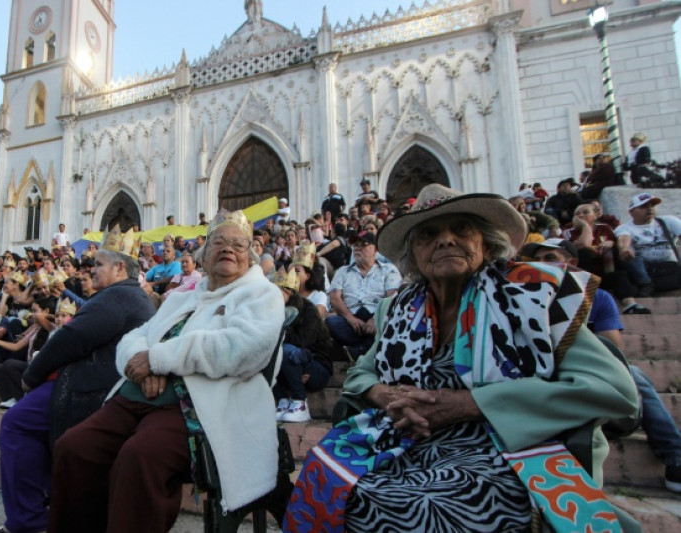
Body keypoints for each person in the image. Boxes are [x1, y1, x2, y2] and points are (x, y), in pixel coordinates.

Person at [284, 184, 639, 532]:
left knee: (445, 504)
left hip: (510, 449)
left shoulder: (532, 296)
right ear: (414, 256)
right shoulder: (399, 308)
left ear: (487, 243)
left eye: (461, 229)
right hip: (410, 440)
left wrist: (470, 404)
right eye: (429, 234)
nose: (446, 240)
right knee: (332, 483)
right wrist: (384, 394)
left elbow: (614, 389)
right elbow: (362, 374)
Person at [45, 210, 284, 533]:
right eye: (219, 242)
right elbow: (134, 338)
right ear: (203, 254)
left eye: (238, 245)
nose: (228, 249)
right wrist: (144, 367)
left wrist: (160, 359)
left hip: (199, 406)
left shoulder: (261, 294)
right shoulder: (181, 298)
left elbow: (243, 349)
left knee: (140, 457)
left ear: (250, 256)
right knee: (74, 448)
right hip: (138, 395)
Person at [0, 226, 155, 533]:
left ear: (120, 269)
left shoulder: (118, 295)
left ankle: (29, 520)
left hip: (94, 389)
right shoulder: (128, 295)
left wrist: (32, 375)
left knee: (16, 423)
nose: (93, 270)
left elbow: (71, 337)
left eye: (99, 265)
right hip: (102, 384)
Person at [529, 239, 681, 493]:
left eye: (550, 258)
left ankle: (675, 455)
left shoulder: (597, 297)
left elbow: (612, 350)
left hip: (589, 374)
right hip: (542, 374)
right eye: (537, 259)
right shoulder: (526, 297)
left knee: (634, 374)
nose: (541, 264)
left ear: (572, 263)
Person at [272, 266, 333, 423]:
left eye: (277, 291)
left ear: (289, 292)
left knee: (286, 350)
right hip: (287, 370)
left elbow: (302, 343)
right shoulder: (270, 311)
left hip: (315, 366)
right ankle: (282, 400)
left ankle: (299, 403)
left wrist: (281, 324)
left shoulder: (308, 310)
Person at [326, 232, 401, 355]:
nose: (357, 248)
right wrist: (351, 318)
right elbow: (335, 298)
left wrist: (376, 318)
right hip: (351, 316)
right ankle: (369, 347)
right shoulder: (342, 271)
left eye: (363, 244)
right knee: (332, 322)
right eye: (355, 245)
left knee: (390, 323)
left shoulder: (388, 270)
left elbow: (391, 297)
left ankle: (357, 351)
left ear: (375, 250)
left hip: (378, 314)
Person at [0, 297, 65, 409]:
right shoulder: (36, 329)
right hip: (31, 364)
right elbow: (16, 347)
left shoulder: (53, 327)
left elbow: (39, 316)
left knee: (10, 364)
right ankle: (10, 399)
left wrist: (48, 315)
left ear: (46, 311)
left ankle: (23, 400)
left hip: (41, 367)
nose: (32, 314)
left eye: (34, 310)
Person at [615, 192, 681, 295]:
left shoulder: (668, 221)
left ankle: (650, 286)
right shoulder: (625, 228)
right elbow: (623, 239)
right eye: (643, 206)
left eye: (652, 205)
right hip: (643, 270)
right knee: (631, 258)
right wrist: (624, 250)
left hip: (669, 268)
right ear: (631, 212)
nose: (650, 209)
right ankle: (646, 284)